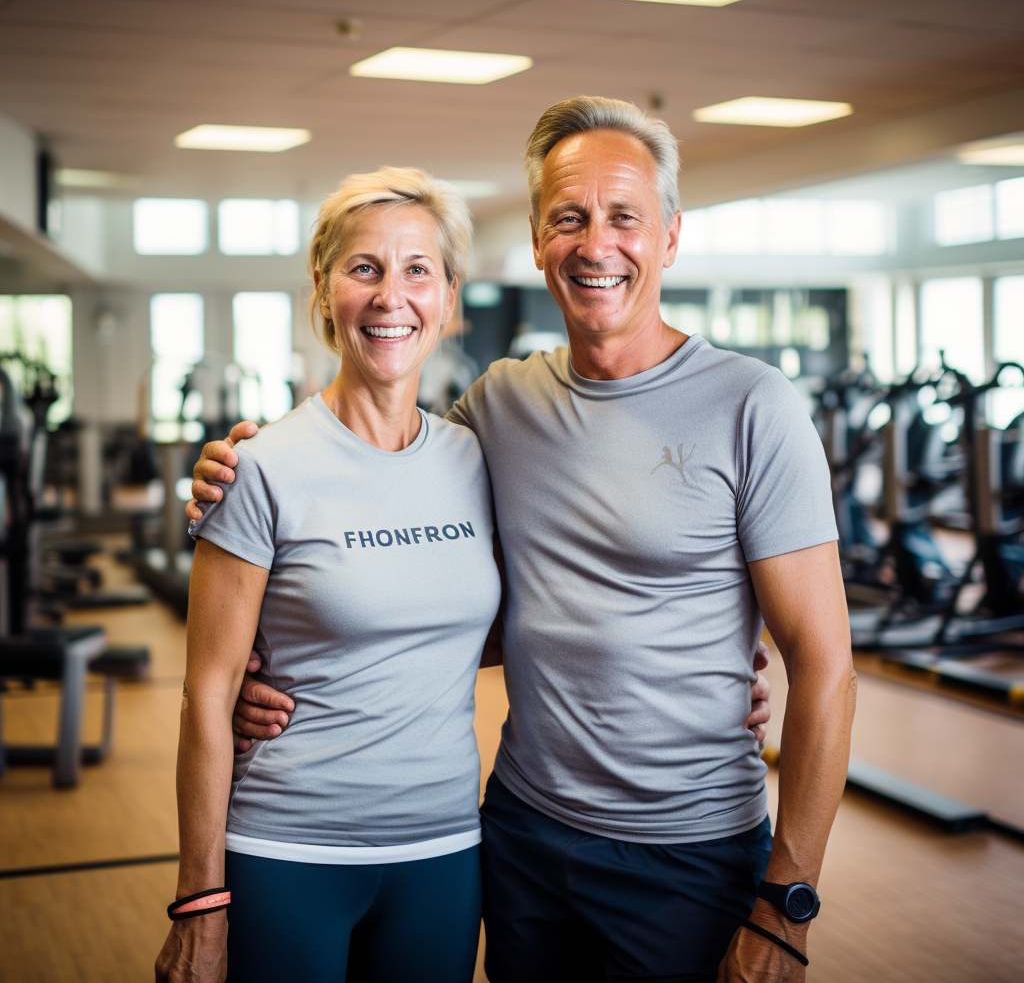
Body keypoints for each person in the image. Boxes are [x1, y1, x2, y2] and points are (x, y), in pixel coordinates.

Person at [191, 96, 852, 983]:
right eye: (569, 218)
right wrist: (261, 657)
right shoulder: (494, 411)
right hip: (522, 838)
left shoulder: (753, 405)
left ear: (669, 236)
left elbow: (827, 666)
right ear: (539, 238)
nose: (596, 244)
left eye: (625, 217)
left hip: (686, 851)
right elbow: (395, 529)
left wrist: (785, 908)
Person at [156, 168, 503, 983]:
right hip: (289, 849)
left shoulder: (477, 458)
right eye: (365, 268)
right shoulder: (261, 467)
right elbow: (208, 693)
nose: (393, 297)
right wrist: (199, 903)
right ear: (323, 287)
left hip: (445, 850)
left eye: (419, 269)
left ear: (449, 295)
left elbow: (500, 630)